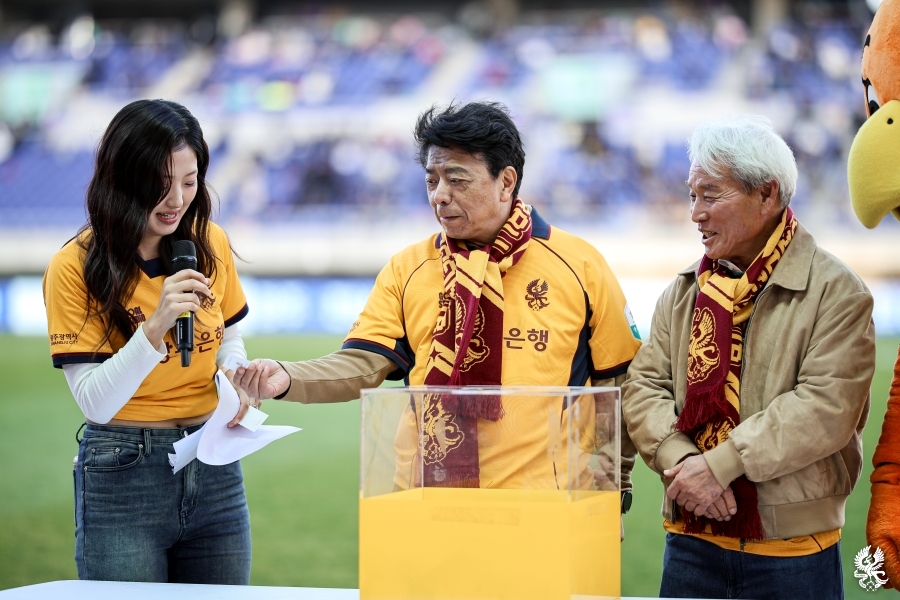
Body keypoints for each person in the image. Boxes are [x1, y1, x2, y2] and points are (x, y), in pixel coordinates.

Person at [234, 101, 642, 494]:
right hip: (426, 499)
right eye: (432, 180)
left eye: (457, 180)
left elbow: (619, 382)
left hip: (546, 507)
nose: (439, 195)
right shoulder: (408, 268)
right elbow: (363, 362)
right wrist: (289, 376)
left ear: (506, 182)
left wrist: (616, 483)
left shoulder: (579, 265)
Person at [622, 115, 875, 599]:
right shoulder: (685, 291)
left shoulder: (837, 292)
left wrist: (720, 466)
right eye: (692, 196)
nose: (695, 214)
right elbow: (643, 387)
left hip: (792, 552)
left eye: (710, 195)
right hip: (690, 540)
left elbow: (825, 407)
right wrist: (683, 462)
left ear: (766, 194)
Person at [43, 99, 255, 584]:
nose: (177, 199)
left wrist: (233, 373)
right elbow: (95, 402)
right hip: (123, 468)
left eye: (190, 181)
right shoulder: (73, 267)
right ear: (122, 178)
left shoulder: (210, 242)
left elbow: (230, 332)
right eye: (161, 183)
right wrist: (156, 327)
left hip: (214, 460)